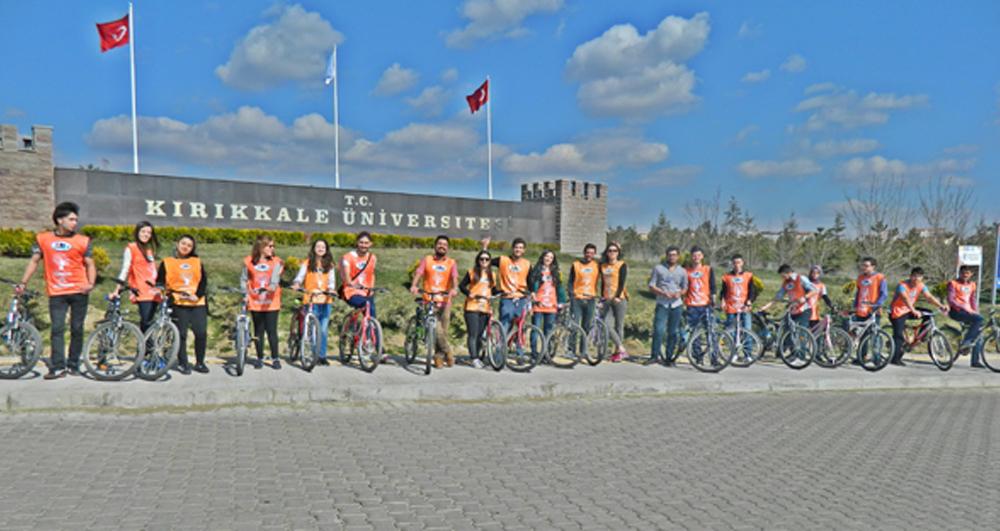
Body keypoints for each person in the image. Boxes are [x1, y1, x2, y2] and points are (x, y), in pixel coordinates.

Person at [15, 202, 96, 379]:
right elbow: (34, 261)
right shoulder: (43, 239)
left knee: (77, 328)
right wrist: (23, 283)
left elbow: (90, 264)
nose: (75, 222)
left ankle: (73, 364)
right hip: (57, 292)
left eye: (76, 219)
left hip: (78, 291)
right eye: (71, 219)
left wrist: (90, 284)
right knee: (57, 329)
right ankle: (58, 366)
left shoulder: (83, 240)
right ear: (60, 220)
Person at [158, 234, 208, 374]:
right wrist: (164, 293)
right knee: (181, 334)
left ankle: (200, 362)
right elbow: (160, 282)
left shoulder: (196, 261)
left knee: (201, 332)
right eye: (183, 243)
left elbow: (203, 282)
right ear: (177, 244)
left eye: (189, 245)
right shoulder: (167, 262)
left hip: (197, 302)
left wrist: (197, 295)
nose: (185, 247)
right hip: (178, 302)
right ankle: (183, 363)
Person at [410, 235, 459, 368]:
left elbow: (454, 278)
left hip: (444, 301)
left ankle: (438, 357)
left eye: (445, 244)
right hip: (429, 299)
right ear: (435, 246)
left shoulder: (451, 263)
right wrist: (414, 285)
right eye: (439, 244)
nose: (442, 246)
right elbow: (419, 273)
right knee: (437, 330)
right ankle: (448, 351)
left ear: (448, 248)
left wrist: (454, 289)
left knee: (443, 330)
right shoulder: (427, 260)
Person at [888, 267, 948, 366]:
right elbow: (905, 298)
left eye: (919, 276)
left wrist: (941, 306)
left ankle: (921, 337)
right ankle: (895, 359)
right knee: (899, 337)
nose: (916, 278)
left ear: (922, 278)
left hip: (909, 310)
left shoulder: (921, 286)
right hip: (897, 312)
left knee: (928, 313)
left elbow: (929, 297)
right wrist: (913, 310)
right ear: (910, 276)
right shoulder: (902, 285)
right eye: (914, 276)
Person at [241, 235, 283, 369]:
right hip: (255, 301)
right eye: (269, 246)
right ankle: (259, 357)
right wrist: (245, 294)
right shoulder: (249, 261)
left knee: (271, 330)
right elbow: (243, 279)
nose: (272, 248)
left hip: (271, 301)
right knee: (258, 330)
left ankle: (275, 358)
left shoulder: (276, 261)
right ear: (261, 247)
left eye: (273, 246)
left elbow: (275, 280)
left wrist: (270, 288)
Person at [292, 239, 336, 366]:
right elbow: (299, 277)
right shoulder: (307, 263)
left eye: (323, 246)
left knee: (323, 330)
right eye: (318, 246)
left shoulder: (330, 265)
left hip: (325, 300)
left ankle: (322, 355)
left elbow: (331, 282)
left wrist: (331, 289)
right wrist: (296, 284)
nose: (321, 248)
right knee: (312, 329)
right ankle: (312, 354)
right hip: (311, 300)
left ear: (327, 249)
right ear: (313, 248)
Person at [110, 221, 161, 332]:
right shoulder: (131, 248)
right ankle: (146, 348)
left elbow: (152, 271)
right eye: (143, 231)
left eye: (149, 232)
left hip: (153, 290)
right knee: (146, 321)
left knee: (150, 323)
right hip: (141, 290)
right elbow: (125, 269)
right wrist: (117, 289)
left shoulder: (149, 251)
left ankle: (146, 347)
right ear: (137, 232)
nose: (146, 234)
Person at [480, 237, 531, 333]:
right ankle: (501, 347)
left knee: (520, 326)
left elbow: (530, 281)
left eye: (521, 248)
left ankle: (518, 347)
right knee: (505, 323)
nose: (518, 250)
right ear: (512, 248)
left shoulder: (527, 264)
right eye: (516, 247)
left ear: (524, 250)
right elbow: (485, 262)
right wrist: (485, 247)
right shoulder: (503, 260)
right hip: (507, 297)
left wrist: (532, 293)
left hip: (521, 298)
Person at [647, 246, 688, 365]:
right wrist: (662, 292)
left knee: (673, 332)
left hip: (676, 304)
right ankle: (654, 356)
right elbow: (651, 285)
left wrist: (679, 293)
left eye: (674, 255)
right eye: (670, 255)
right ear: (666, 255)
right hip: (662, 304)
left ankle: (669, 358)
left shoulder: (682, 271)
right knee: (658, 330)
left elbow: (685, 287)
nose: (672, 257)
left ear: (678, 256)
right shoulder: (658, 268)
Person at [459, 250, 496, 369]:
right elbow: (461, 286)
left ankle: (478, 357)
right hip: (472, 306)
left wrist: (505, 292)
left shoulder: (492, 275)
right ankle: (474, 358)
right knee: (473, 334)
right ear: (478, 260)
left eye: (487, 259)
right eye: (482, 259)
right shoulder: (471, 272)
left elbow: (494, 290)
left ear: (490, 261)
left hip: (485, 307)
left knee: (480, 335)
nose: (484, 261)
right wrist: (468, 293)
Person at [528, 250, 567, 360]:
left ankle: (546, 353)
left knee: (548, 331)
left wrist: (562, 301)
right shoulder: (536, 270)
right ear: (542, 257)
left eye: (551, 257)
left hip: (551, 306)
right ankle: (534, 353)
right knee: (536, 330)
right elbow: (532, 286)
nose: (548, 259)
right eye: (546, 256)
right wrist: (533, 297)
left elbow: (559, 288)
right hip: (539, 304)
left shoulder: (555, 272)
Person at [948, 265, 984, 367]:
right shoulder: (953, 284)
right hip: (956, 311)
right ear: (959, 273)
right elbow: (951, 300)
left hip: (968, 312)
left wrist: (975, 310)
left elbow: (972, 299)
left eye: (967, 273)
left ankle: (975, 361)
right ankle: (966, 342)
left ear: (971, 274)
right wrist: (963, 307)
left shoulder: (972, 284)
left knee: (979, 334)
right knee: (979, 320)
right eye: (963, 273)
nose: (965, 275)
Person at [599, 242, 629, 362]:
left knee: (619, 326)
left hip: (619, 299)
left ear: (618, 253)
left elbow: (622, 282)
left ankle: (618, 353)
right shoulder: (603, 266)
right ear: (607, 252)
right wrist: (602, 297)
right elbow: (603, 283)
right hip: (607, 298)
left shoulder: (622, 264)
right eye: (610, 250)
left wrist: (617, 296)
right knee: (606, 324)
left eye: (615, 251)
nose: (612, 253)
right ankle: (621, 348)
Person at [341, 231, 377, 318]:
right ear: (357, 242)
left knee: (372, 316)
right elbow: (346, 278)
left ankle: (371, 330)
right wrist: (353, 284)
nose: (363, 245)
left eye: (366, 243)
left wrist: (372, 288)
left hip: (366, 291)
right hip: (351, 292)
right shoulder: (348, 257)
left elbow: (372, 274)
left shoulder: (372, 258)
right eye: (361, 242)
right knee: (365, 304)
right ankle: (353, 323)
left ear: (370, 244)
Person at [719, 254, 758, 332]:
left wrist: (749, 301)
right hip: (731, 307)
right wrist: (722, 301)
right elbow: (723, 291)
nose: (737, 265)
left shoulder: (748, 275)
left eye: (739, 262)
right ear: (732, 264)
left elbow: (752, 291)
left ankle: (748, 344)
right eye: (735, 263)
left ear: (742, 263)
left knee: (747, 329)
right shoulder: (727, 277)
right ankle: (731, 344)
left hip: (744, 307)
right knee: (730, 330)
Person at [568, 244, 600, 339]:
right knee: (575, 324)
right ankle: (571, 349)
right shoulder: (576, 265)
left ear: (594, 254)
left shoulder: (597, 266)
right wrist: (571, 294)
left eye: (592, 253)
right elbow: (570, 281)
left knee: (586, 325)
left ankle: (583, 350)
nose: (589, 255)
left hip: (590, 298)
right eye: (587, 252)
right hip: (577, 298)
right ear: (584, 253)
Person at [684, 246, 716, 328]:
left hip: (705, 304)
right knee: (694, 330)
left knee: (710, 329)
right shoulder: (686, 271)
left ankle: (712, 341)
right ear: (691, 257)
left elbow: (712, 285)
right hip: (692, 305)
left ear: (702, 256)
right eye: (694, 255)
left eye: (698, 255)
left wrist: (714, 298)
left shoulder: (708, 269)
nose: (696, 258)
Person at [853, 256, 888, 322]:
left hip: (873, 311)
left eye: (866, 266)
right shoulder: (860, 277)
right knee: (859, 331)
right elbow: (858, 292)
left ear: (873, 266)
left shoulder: (880, 277)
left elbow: (884, 294)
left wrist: (876, 305)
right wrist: (855, 305)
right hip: (861, 310)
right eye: (863, 265)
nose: (863, 267)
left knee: (872, 331)